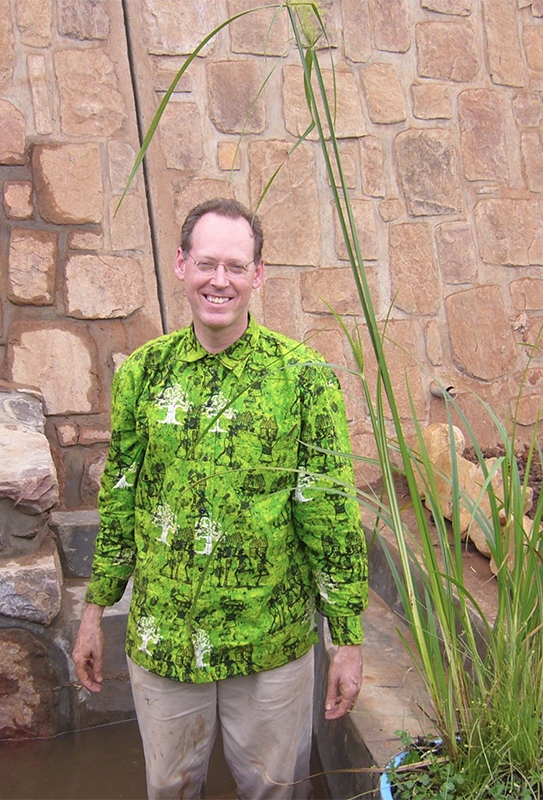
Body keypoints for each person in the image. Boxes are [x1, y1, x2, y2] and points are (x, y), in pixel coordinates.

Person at [73, 198, 368, 799]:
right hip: (164, 640)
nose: (220, 280)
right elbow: (121, 498)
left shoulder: (304, 378)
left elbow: (330, 517)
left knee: (274, 790)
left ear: (258, 275)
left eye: (236, 266)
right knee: (171, 788)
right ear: (181, 265)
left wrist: (347, 638)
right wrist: (93, 610)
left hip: (270, 641)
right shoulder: (143, 375)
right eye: (207, 264)